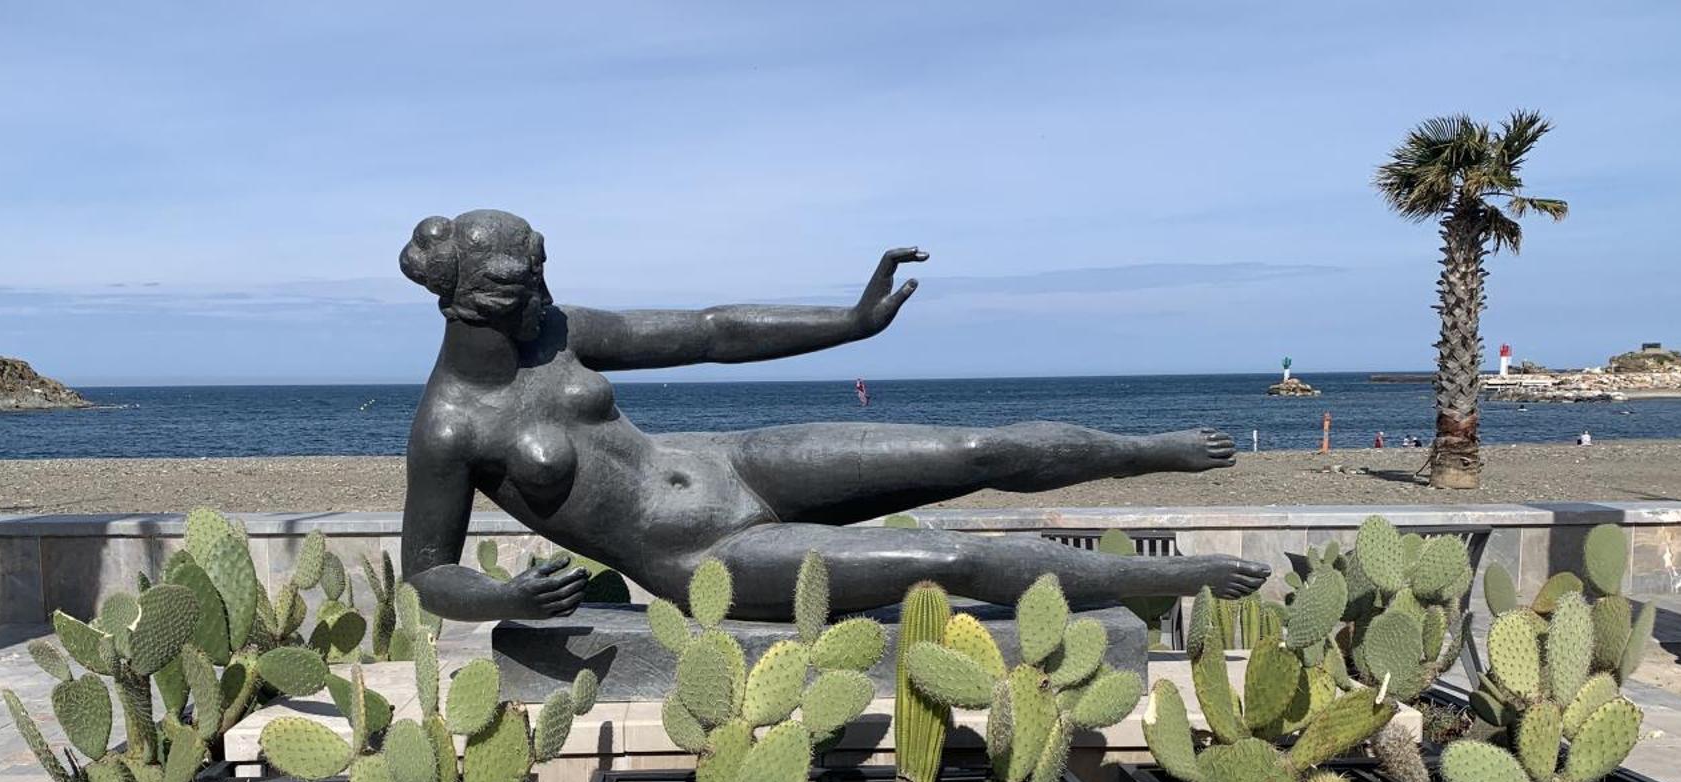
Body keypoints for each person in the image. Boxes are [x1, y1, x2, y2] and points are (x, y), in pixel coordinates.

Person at [396, 210, 1270, 622]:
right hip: (702, 558)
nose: (532, 302)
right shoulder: (451, 428)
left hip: (733, 464)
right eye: (513, 293)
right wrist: (504, 596)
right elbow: (427, 572)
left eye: (536, 281)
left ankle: (1141, 448)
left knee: (974, 447)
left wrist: (846, 325)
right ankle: (1169, 580)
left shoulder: (561, 331)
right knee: (950, 557)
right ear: (466, 303)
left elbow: (713, 332)